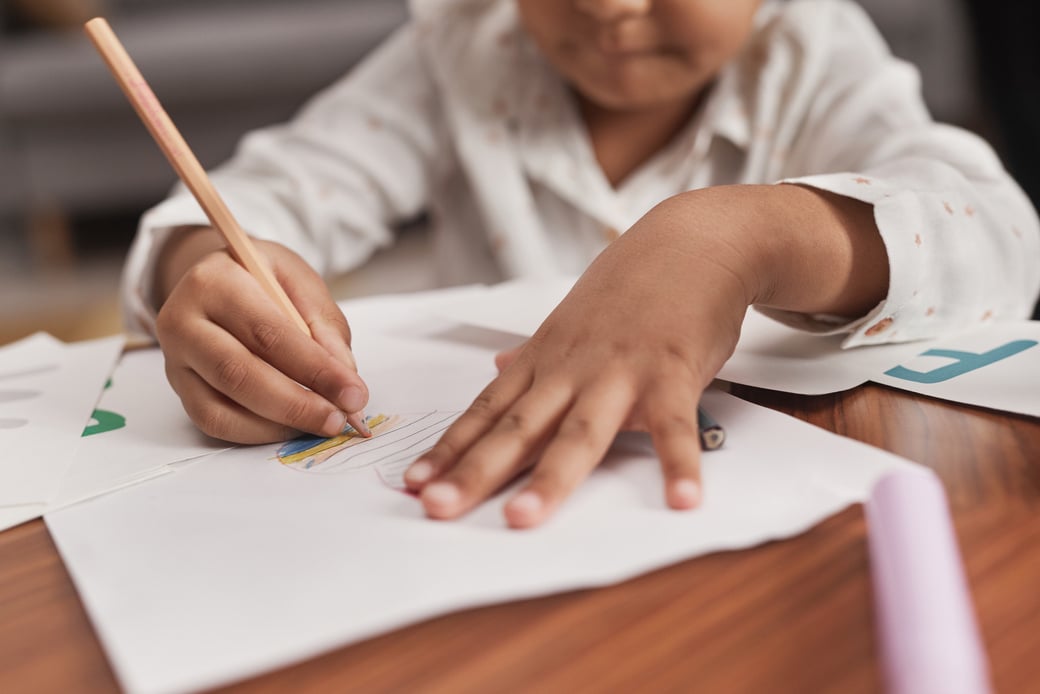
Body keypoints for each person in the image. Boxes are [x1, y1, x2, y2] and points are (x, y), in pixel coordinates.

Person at [123, 0, 1040, 529]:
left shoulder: (811, 50)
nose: (606, 6)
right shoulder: (459, 49)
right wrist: (205, 265)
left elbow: (1003, 235)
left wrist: (744, 237)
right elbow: (264, 197)